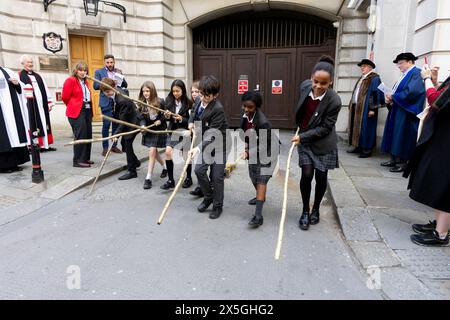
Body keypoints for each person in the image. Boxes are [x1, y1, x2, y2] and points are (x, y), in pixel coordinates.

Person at [291, 56, 342, 231]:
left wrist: (303, 137)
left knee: (321, 178)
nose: (318, 86)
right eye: (316, 81)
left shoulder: (334, 101)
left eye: (324, 83)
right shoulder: (305, 86)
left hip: (323, 143)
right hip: (304, 139)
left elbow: (325, 128)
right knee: (306, 174)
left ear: (331, 83)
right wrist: (301, 130)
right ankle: (305, 211)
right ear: (311, 77)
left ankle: (316, 209)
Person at [404, 66, 450, 246]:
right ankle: (440, 225)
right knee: (440, 183)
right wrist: (436, 81)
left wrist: (426, 79)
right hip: (444, 138)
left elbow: (436, 100)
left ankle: (441, 234)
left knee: (445, 187)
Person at [188, 75, 229, 219]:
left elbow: (212, 134)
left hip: (218, 145)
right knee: (199, 170)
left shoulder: (218, 109)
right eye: (202, 94)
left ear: (215, 95)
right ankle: (208, 197)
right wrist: (191, 122)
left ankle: (218, 206)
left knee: (217, 177)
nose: (203, 98)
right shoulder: (199, 100)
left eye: (207, 96)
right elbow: (194, 111)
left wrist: (197, 148)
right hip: (205, 143)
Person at [380, 52, 426, 172]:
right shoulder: (404, 75)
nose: (399, 66)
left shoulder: (416, 73)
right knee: (395, 134)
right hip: (398, 109)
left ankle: (402, 162)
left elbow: (413, 92)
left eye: (401, 63)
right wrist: (389, 98)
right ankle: (394, 159)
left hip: (407, 111)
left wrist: (393, 97)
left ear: (410, 62)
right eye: (398, 64)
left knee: (403, 135)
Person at [240, 90, 276, 228]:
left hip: (268, 150)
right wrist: (246, 148)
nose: (246, 109)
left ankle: (258, 216)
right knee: (252, 175)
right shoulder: (245, 115)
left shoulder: (263, 122)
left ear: (257, 107)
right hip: (254, 148)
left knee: (261, 179)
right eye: (245, 106)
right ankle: (260, 196)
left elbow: (264, 144)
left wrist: (249, 153)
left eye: (250, 107)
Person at [99, 78, 140, 180]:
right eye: (104, 92)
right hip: (127, 121)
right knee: (124, 145)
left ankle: (132, 171)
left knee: (127, 143)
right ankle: (135, 162)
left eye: (108, 91)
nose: (106, 94)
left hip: (133, 122)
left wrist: (116, 134)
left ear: (113, 88)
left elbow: (123, 120)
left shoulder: (121, 100)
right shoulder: (116, 94)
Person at [347, 59, 385, 158]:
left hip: (367, 108)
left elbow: (376, 94)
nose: (362, 68)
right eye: (361, 66)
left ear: (370, 67)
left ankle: (367, 149)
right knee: (356, 127)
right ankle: (358, 145)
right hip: (357, 107)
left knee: (367, 128)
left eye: (364, 66)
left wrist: (373, 109)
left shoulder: (374, 78)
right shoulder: (362, 78)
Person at [18, 54, 55, 152]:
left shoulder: (38, 76)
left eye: (31, 62)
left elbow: (45, 89)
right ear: (23, 63)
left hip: (41, 106)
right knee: (33, 124)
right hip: (30, 106)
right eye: (28, 62)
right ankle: (34, 145)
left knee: (44, 123)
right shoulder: (19, 76)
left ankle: (45, 145)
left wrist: (49, 102)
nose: (30, 64)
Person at [161, 79, 193, 190]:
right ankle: (170, 180)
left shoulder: (189, 103)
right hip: (172, 131)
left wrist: (181, 119)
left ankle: (188, 178)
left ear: (183, 90)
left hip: (184, 131)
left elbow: (190, 120)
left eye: (177, 91)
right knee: (168, 152)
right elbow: (165, 118)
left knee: (186, 155)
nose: (175, 93)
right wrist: (167, 116)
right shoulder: (168, 101)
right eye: (173, 91)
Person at [94, 54, 127, 156]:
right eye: (107, 62)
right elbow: (95, 86)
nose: (110, 64)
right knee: (106, 125)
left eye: (111, 62)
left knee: (116, 125)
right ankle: (105, 148)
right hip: (105, 102)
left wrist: (120, 82)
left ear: (114, 62)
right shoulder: (99, 72)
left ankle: (114, 146)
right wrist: (109, 83)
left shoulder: (118, 72)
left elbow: (125, 85)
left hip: (117, 102)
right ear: (105, 62)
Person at [61, 62, 93, 168]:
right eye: (81, 70)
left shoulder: (86, 82)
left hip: (87, 109)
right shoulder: (71, 80)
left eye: (85, 70)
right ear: (76, 70)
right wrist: (72, 105)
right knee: (81, 135)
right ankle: (78, 160)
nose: (83, 72)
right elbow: (65, 97)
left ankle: (85, 158)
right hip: (76, 111)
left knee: (88, 134)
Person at [137, 81, 167, 189]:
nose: (145, 93)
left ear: (152, 91)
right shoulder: (140, 103)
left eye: (148, 91)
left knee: (152, 151)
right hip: (149, 130)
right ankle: (165, 167)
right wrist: (143, 126)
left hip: (158, 130)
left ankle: (148, 178)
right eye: (144, 91)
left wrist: (161, 120)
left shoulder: (160, 102)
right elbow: (140, 118)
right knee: (153, 152)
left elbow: (165, 115)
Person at [0, 65, 30, 173]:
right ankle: (3, 165)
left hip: (12, 108)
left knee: (15, 135)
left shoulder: (8, 70)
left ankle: (14, 163)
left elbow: (21, 87)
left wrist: (17, 83)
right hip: (1, 110)